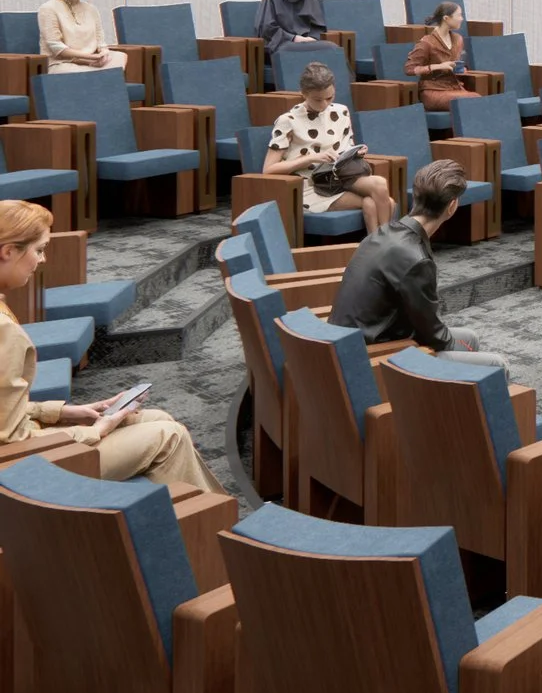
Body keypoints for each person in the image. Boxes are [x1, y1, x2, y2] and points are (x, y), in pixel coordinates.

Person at [0, 200, 223, 492]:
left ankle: (192, 514)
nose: (43, 260)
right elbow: (12, 441)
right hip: (18, 470)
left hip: (19, 447)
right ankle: (211, 520)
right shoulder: (4, 331)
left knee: (157, 418)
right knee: (169, 436)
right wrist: (94, 432)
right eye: (39, 250)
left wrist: (63, 412)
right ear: (8, 251)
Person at [325, 160, 507, 370]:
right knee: (497, 364)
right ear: (452, 206)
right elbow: (433, 335)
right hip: (373, 357)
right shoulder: (415, 260)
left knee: (470, 338)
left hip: (351, 342)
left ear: (416, 197)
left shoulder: (383, 232)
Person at [263, 61, 394, 236]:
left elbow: (345, 147)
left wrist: (355, 153)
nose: (324, 104)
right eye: (318, 100)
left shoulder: (341, 111)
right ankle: (384, 242)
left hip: (340, 177)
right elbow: (269, 169)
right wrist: (310, 158)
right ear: (303, 93)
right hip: (311, 185)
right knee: (377, 202)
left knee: (380, 185)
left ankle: (381, 243)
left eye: (330, 98)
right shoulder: (287, 120)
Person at [36, 0, 127, 76]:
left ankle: (98, 76)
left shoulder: (91, 9)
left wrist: (104, 53)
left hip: (92, 61)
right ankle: (101, 77)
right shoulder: (48, 8)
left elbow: (100, 41)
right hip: (63, 63)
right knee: (103, 73)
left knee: (120, 56)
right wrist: (90, 58)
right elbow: (57, 47)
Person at [401, 1, 481, 113]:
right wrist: (438, 66)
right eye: (459, 15)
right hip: (433, 90)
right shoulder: (427, 42)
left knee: (477, 99)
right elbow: (409, 69)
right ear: (446, 18)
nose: (462, 19)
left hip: (454, 88)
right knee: (469, 101)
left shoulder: (458, 39)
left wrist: (461, 69)